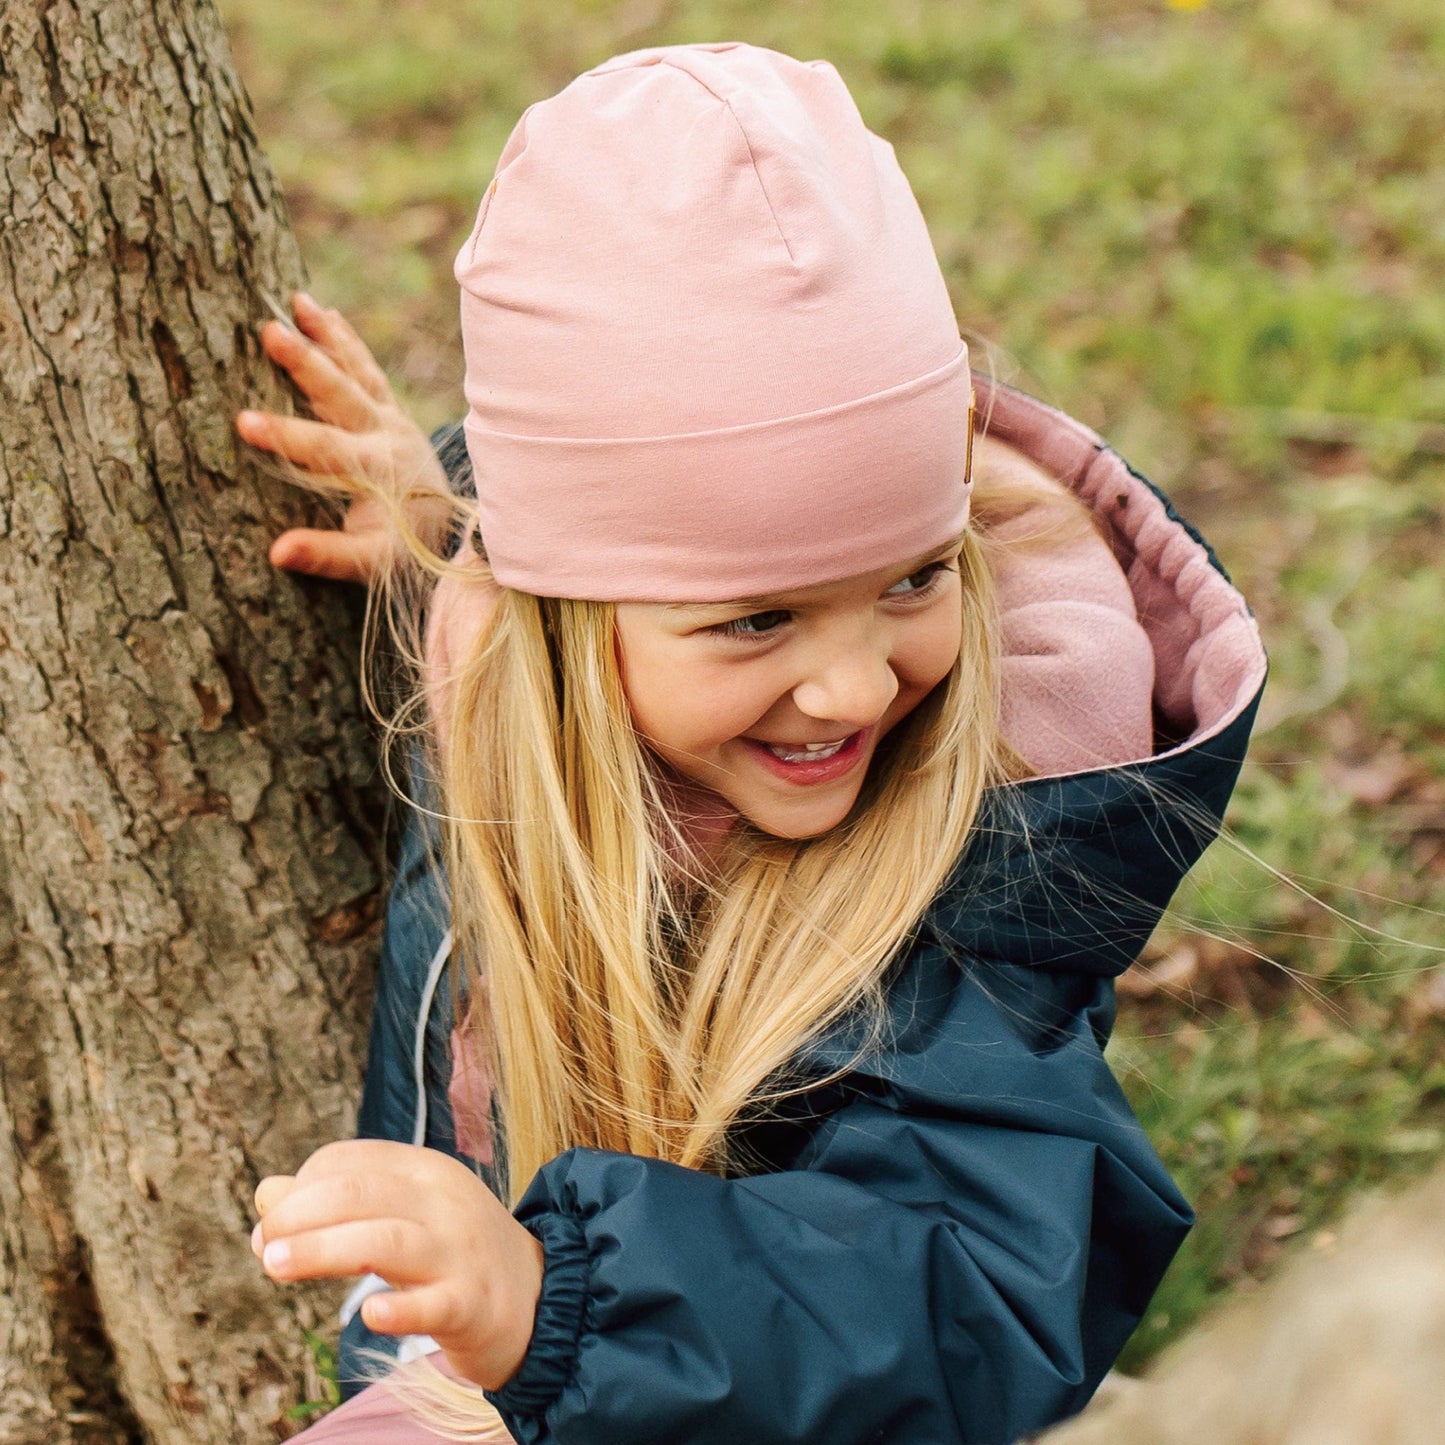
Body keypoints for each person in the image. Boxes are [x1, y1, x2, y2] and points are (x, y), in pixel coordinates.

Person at [239, 42, 1267, 1445]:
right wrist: (442, 529)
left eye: (911, 577)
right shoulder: (519, 656)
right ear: (549, 614)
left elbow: (965, 1293)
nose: (851, 689)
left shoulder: (982, 867)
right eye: (757, 621)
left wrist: (555, 1304)